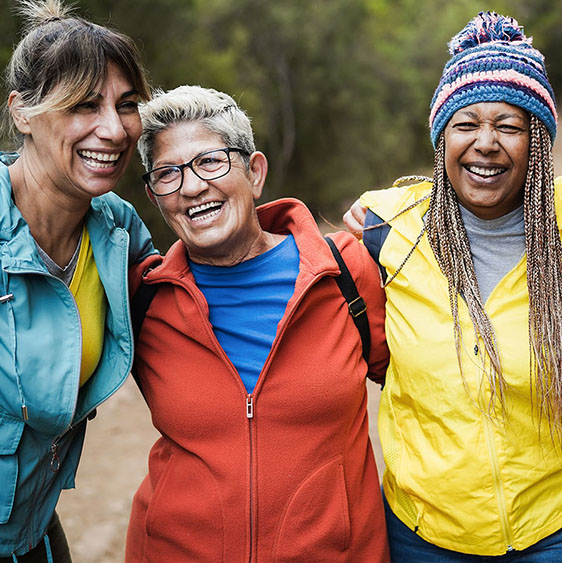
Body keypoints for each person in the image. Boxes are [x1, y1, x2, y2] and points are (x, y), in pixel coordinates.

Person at [347, 12, 562, 562]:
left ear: (537, 141)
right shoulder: (386, 235)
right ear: (442, 138)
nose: (485, 144)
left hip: (561, 527)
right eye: (465, 124)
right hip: (425, 533)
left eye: (509, 126)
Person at [125, 85, 390, 562]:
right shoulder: (143, 295)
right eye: (168, 174)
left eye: (210, 162)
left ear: (255, 172)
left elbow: (430, 386)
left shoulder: (345, 272)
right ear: (154, 196)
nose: (191, 187)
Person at [0, 1, 156, 560]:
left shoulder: (115, 229)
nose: (113, 128)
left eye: (126, 106)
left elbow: (201, 299)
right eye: (83, 104)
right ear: (23, 113)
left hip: (31, 535)